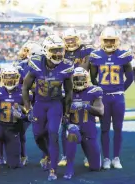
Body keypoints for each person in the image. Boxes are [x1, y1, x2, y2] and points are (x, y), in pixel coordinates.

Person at [22, 35, 74, 181]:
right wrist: (28, 108)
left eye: (60, 50)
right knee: (38, 135)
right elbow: (25, 88)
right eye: (54, 50)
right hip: (39, 103)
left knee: (53, 134)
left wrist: (67, 112)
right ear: (46, 50)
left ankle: (53, 169)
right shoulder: (36, 63)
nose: (58, 53)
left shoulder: (67, 65)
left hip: (55, 104)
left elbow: (69, 91)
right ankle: (48, 155)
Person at [89, 27, 133, 169]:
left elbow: (130, 77)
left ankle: (116, 158)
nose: (109, 43)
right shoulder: (96, 56)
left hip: (118, 98)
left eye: (111, 40)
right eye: (106, 40)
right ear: (102, 41)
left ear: (116, 40)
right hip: (104, 99)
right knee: (104, 129)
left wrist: (120, 90)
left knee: (118, 128)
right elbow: (93, 78)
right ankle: (106, 158)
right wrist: (101, 92)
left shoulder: (123, 55)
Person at [0, 66, 33, 173]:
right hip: (0, 127)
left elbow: (30, 114)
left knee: (14, 165)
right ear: (2, 78)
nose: (9, 80)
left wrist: (22, 115)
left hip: (13, 130)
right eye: (7, 77)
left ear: (17, 78)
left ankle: (17, 157)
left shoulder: (23, 92)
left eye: (12, 77)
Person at [58, 28, 94, 167]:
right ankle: (65, 155)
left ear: (77, 38)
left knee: (86, 123)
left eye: (72, 38)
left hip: (83, 88)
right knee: (65, 123)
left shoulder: (85, 50)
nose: (70, 41)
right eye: (68, 39)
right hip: (66, 90)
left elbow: (86, 68)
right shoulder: (61, 51)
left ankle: (88, 156)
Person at [63, 67, 104, 180]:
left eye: (81, 78)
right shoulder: (67, 93)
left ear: (87, 79)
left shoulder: (94, 91)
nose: (79, 81)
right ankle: (69, 168)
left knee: (96, 167)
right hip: (74, 128)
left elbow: (101, 112)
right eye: (76, 79)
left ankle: (89, 156)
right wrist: (67, 124)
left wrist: (85, 105)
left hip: (89, 132)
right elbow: (61, 115)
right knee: (72, 133)